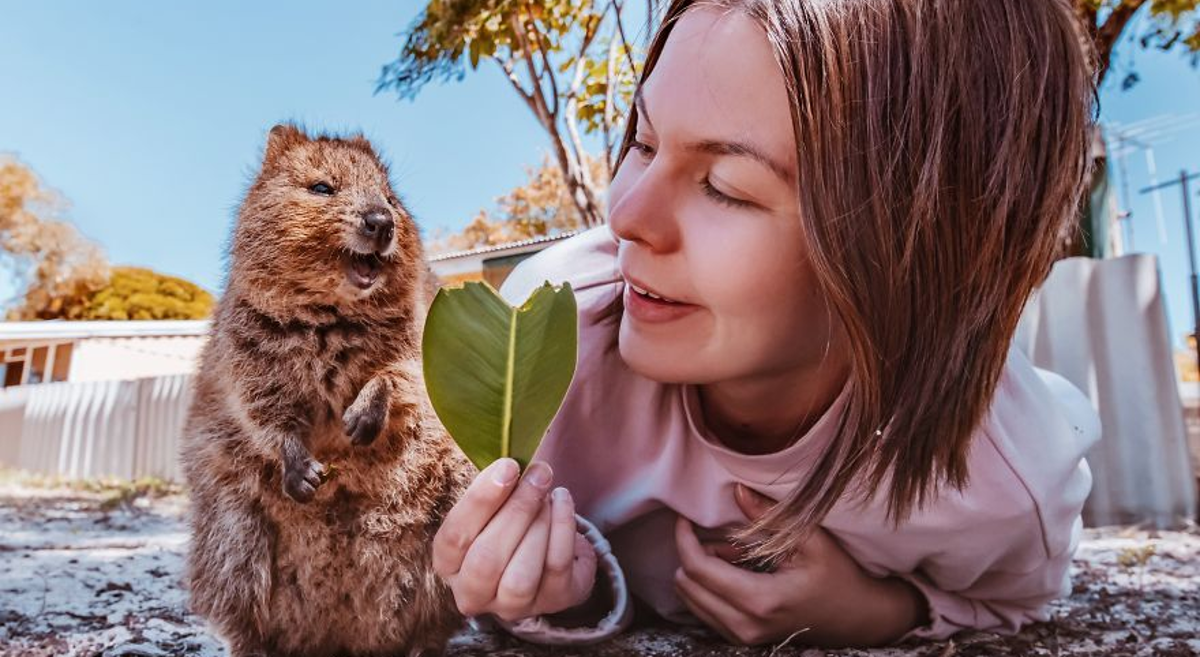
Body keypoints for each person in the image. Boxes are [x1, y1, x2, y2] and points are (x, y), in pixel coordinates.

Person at [430, 0, 1100, 647]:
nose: (628, 215)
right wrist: (565, 592)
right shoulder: (551, 347)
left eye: (724, 185)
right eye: (641, 139)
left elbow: (1025, 594)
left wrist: (881, 611)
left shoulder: (1003, 477)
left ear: (917, 246)